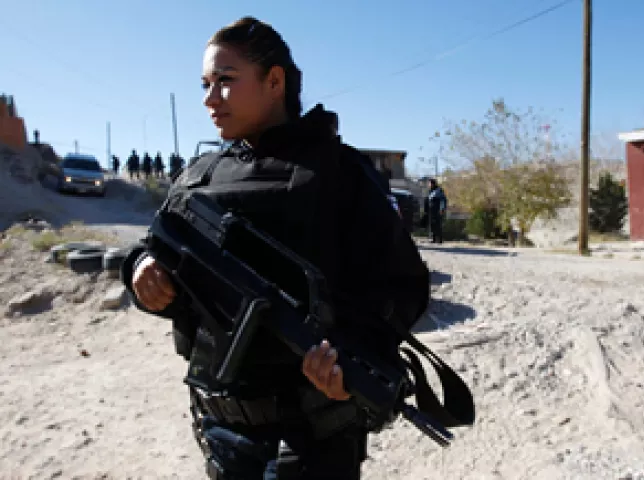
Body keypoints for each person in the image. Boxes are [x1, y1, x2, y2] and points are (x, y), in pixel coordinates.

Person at [120, 16, 430, 480]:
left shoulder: (338, 174)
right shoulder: (198, 176)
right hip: (220, 429)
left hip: (311, 437)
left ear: (274, 82)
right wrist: (141, 269)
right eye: (205, 84)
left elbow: (402, 287)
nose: (209, 98)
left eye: (225, 80)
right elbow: (157, 250)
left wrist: (352, 362)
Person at [425, 178, 447, 244]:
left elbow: (443, 200)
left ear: (433, 184)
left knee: (438, 225)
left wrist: (441, 209)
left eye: (430, 183)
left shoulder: (439, 190)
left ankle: (440, 239)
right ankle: (434, 239)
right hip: (431, 211)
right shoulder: (430, 191)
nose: (429, 185)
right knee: (432, 225)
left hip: (437, 210)